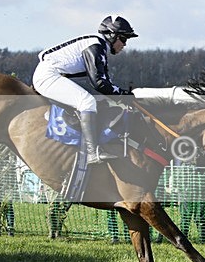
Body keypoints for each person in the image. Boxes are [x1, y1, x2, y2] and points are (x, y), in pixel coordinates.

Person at [33, 15, 137, 165]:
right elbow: (99, 83)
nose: (125, 44)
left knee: (90, 101)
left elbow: (106, 82)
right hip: (48, 75)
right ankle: (92, 153)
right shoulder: (96, 46)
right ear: (112, 35)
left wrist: (121, 95)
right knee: (86, 102)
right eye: (124, 39)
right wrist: (123, 95)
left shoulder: (98, 45)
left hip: (50, 74)